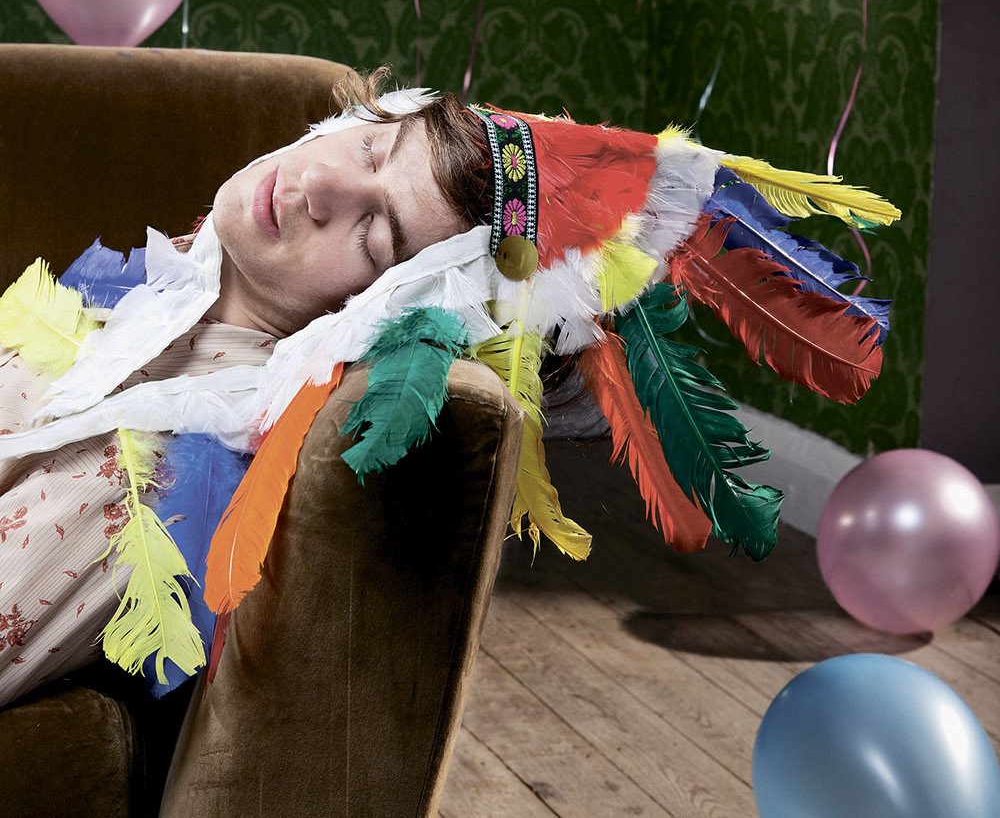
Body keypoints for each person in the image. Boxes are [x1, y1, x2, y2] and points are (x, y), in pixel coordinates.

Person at [0, 70, 900, 707]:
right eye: (371, 143)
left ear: (372, 317)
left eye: (375, 238)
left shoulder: (144, 483)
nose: (319, 181)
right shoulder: (147, 294)